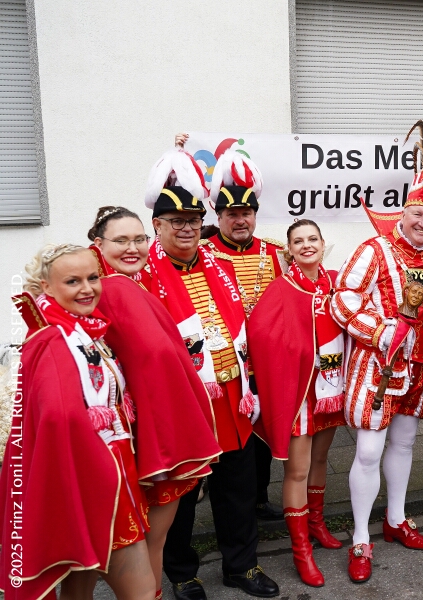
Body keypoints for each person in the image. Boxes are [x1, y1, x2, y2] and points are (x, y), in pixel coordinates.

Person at [139, 145, 279, 599]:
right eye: (176, 221)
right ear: (157, 225)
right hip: (183, 403)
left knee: (238, 489)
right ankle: (182, 572)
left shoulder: (219, 264)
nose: (187, 228)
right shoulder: (144, 274)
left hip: (232, 396)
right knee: (181, 495)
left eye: (194, 221)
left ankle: (242, 566)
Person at [2, 244, 157, 600]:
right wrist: (103, 467)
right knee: (143, 592)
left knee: (78, 588)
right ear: (46, 287)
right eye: (73, 281)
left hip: (103, 474)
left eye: (93, 278)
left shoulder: (78, 330)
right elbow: (59, 418)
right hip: (98, 482)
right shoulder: (54, 340)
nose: (87, 289)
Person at [332, 121, 423, 583]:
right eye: (417, 214)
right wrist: (380, 332)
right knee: (367, 452)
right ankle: (361, 537)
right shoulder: (374, 249)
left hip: (421, 365)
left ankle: (396, 519)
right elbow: (343, 300)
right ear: (403, 212)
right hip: (377, 368)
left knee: (404, 444)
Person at [88, 206, 221, 600]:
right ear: (99, 244)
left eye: (138, 239)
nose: (133, 248)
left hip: (142, 430)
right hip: (147, 435)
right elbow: (156, 358)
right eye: (121, 240)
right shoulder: (115, 288)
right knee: (148, 542)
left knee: (143, 542)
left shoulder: (123, 283)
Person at [179, 133, 289, 523]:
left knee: (264, 436)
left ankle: (257, 499)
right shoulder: (203, 254)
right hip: (224, 364)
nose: (240, 220)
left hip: (267, 362)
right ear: (219, 217)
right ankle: (217, 495)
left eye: (246, 213)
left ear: (255, 215)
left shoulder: (276, 253)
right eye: (231, 214)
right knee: (225, 439)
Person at [249, 219, 346, 587]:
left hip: (330, 388)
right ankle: (301, 549)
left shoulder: (334, 282)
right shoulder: (281, 287)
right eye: (299, 241)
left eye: (312, 239)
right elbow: (260, 333)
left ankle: (316, 523)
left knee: (321, 460)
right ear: (289, 250)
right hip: (300, 392)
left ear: (322, 243)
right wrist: (300, 353)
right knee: (298, 470)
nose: (307, 245)